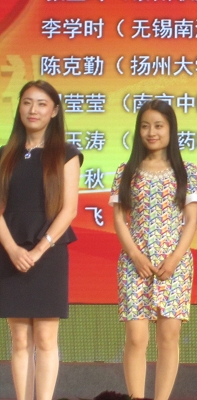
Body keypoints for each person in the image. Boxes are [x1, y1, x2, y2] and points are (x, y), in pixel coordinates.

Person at [109, 99, 197, 400]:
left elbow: (191, 220)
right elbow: (119, 219)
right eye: (145, 126)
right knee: (136, 338)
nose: (152, 132)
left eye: (159, 126)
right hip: (134, 262)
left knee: (168, 337)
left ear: (171, 129)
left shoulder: (187, 171)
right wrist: (135, 255)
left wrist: (175, 258)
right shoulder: (126, 171)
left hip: (174, 264)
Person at [0, 80, 83, 400]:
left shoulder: (66, 154)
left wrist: (38, 250)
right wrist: (12, 249)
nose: (33, 110)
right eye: (27, 102)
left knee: (46, 339)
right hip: (10, 253)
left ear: (54, 111)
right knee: (20, 339)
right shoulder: (5, 155)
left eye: (41, 104)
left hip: (48, 253)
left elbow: (69, 209)